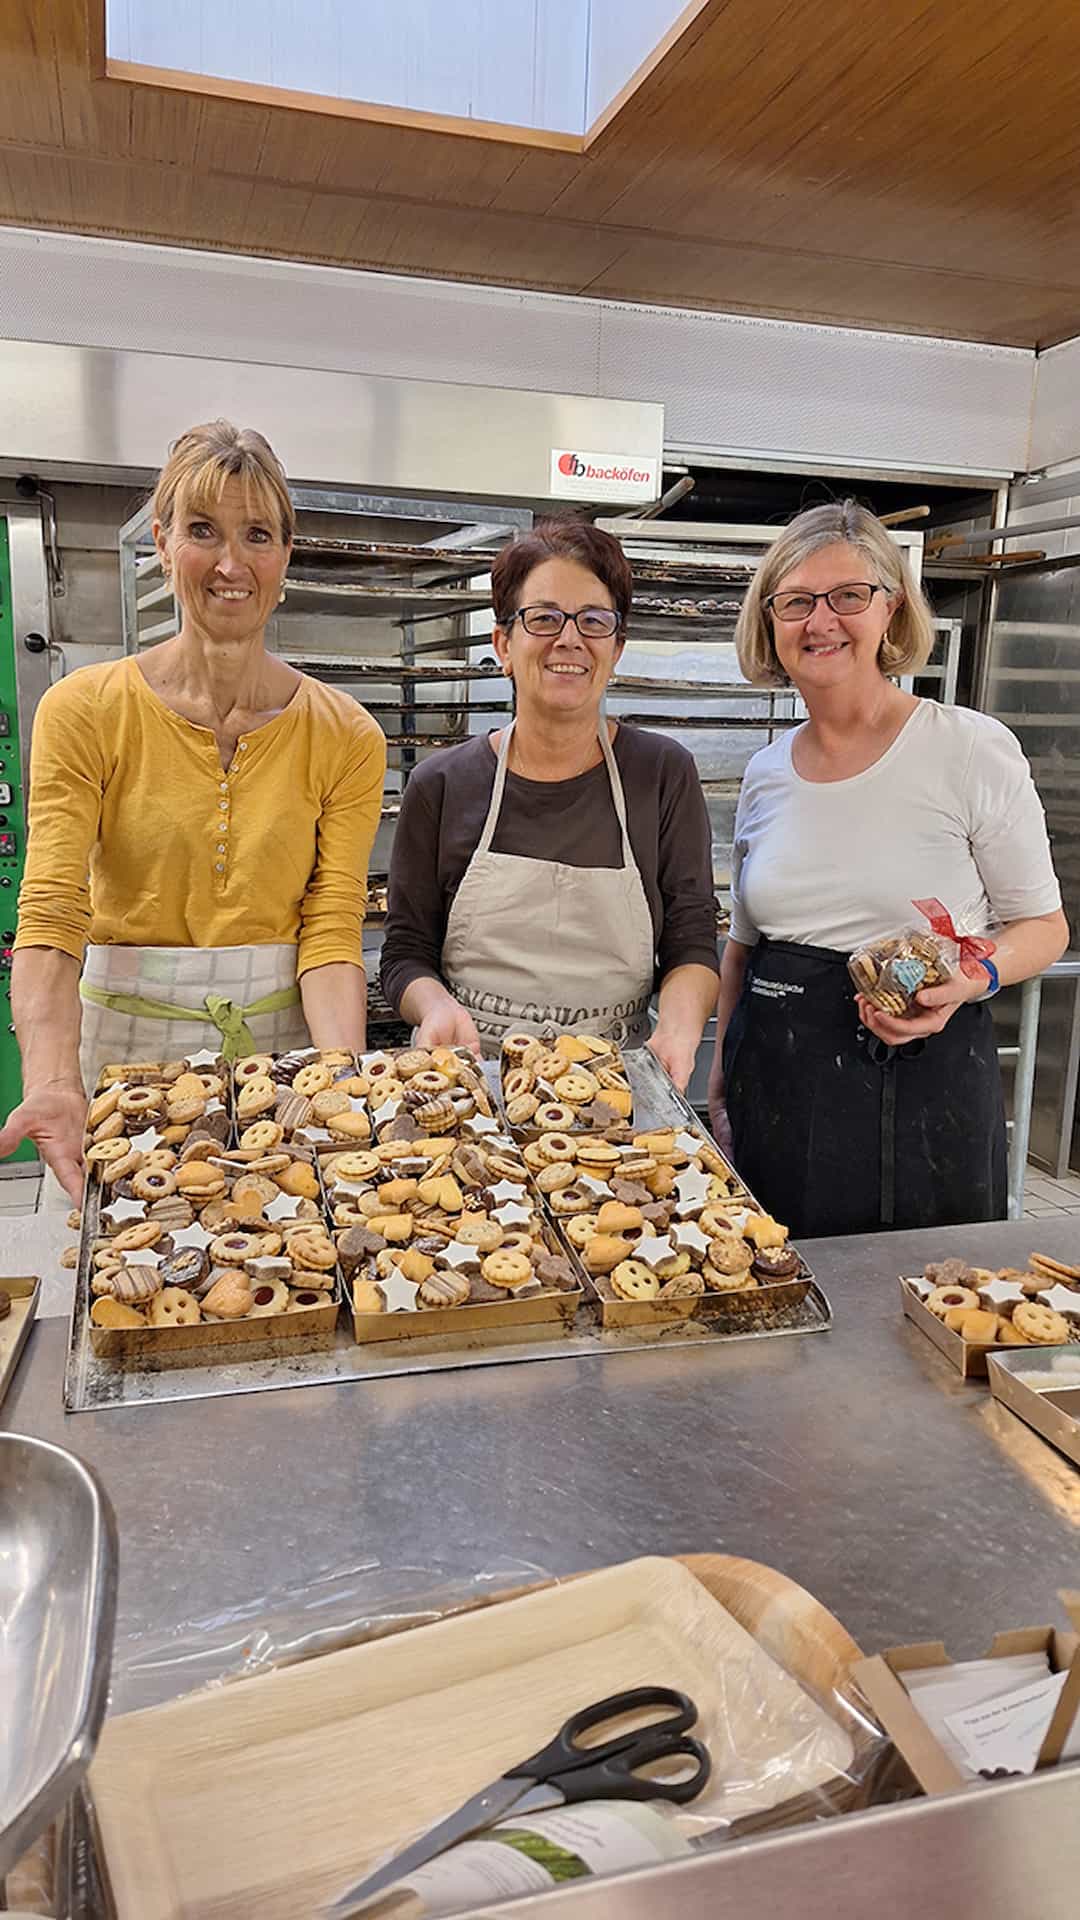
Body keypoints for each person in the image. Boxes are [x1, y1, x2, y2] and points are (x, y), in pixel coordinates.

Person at [0, 420, 386, 1202]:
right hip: (119, 1058)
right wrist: (50, 1077)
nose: (232, 562)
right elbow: (50, 911)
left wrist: (343, 1083)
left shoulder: (346, 735)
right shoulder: (85, 711)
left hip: (279, 1058)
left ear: (286, 555)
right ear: (163, 542)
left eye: (259, 534)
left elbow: (332, 923)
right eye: (203, 530)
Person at [707, 500, 1067, 1239]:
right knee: (777, 1288)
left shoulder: (967, 748)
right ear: (769, 621)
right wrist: (720, 1073)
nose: (822, 621)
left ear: (892, 609)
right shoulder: (765, 773)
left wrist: (971, 979)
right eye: (796, 601)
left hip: (924, 1079)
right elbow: (745, 945)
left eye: (849, 595)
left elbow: (1044, 927)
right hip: (775, 1077)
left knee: (917, 1310)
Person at [380, 518, 719, 1085]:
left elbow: (691, 942)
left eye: (593, 620)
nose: (569, 639)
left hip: (615, 1086)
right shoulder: (442, 785)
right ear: (502, 644)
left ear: (616, 648)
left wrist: (680, 1030)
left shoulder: (662, 774)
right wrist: (435, 1008)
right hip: (470, 1086)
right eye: (543, 618)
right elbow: (406, 952)